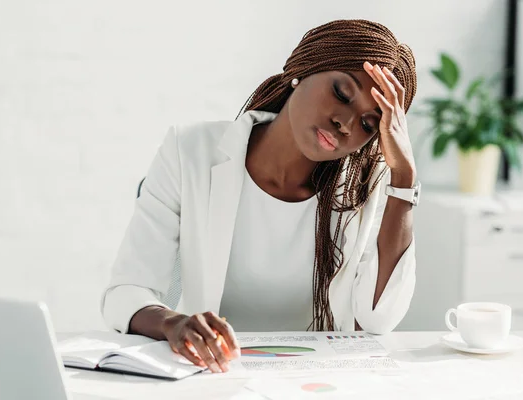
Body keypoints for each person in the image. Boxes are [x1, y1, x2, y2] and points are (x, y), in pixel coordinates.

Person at [100, 19, 419, 373]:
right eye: (343, 93)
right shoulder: (189, 152)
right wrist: (171, 323)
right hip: (214, 377)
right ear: (303, 69)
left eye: (368, 124)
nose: (346, 122)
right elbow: (125, 293)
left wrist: (403, 179)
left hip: (317, 381)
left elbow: (377, 319)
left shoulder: (366, 187)